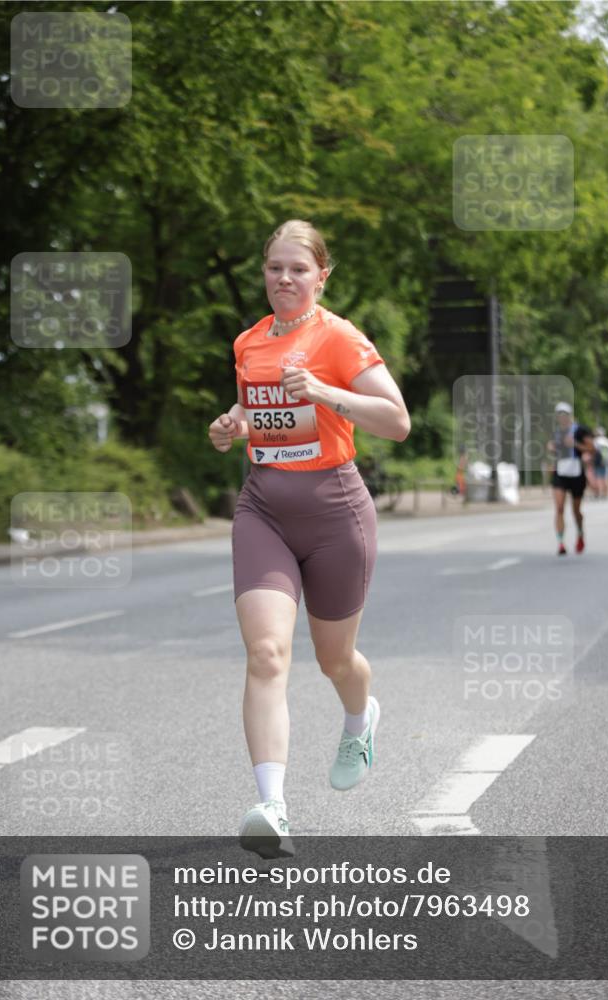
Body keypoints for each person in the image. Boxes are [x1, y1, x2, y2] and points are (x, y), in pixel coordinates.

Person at [208, 219, 410, 858]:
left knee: (334, 660)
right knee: (267, 653)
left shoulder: (340, 338)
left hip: (335, 511)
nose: (285, 279)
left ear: (322, 275)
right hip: (263, 503)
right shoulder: (248, 342)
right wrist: (232, 424)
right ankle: (272, 806)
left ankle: (360, 719)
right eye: (275, 268)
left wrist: (325, 390)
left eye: (299, 269)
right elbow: (256, 407)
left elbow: (398, 421)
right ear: (263, 273)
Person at [546, 402, 596, 556]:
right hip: (560, 472)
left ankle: (580, 533)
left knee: (576, 510)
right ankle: (560, 543)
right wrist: (550, 449)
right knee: (559, 508)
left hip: (576, 472)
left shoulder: (580, 430)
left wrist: (575, 444)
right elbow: (550, 449)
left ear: (569, 415)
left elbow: (592, 449)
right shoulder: (555, 432)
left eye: (564, 414)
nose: (562, 417)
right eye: (559, 414)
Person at [593, 426, 608, 498]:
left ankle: (598, 493)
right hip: (607, 461)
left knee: (598, 477)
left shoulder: (595, 441)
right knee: (606, 478)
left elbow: (593, 451)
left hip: (598, 461)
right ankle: (606, 494)